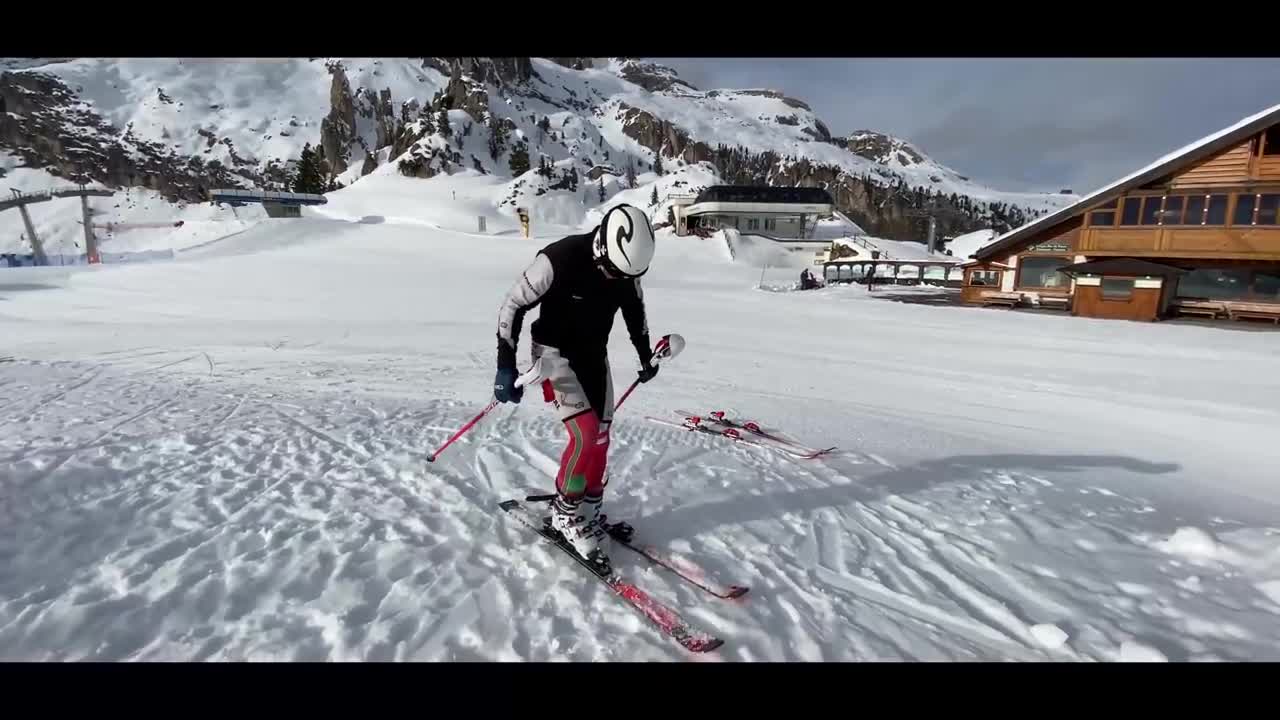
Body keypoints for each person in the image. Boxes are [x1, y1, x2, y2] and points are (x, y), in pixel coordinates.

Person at [494, 203, 659, 570]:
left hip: (593, 356)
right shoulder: (558, 258)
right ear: (602, 247)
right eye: (613, 272)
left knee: (601, 436)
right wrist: (506, 366)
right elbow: (512, 306)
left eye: (627, 275)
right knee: (584, 435)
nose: (618, 279)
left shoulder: (627, 269)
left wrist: (645, 356)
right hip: (553, 355)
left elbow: (636, 314)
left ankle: (589, 508)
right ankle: (564, 513)